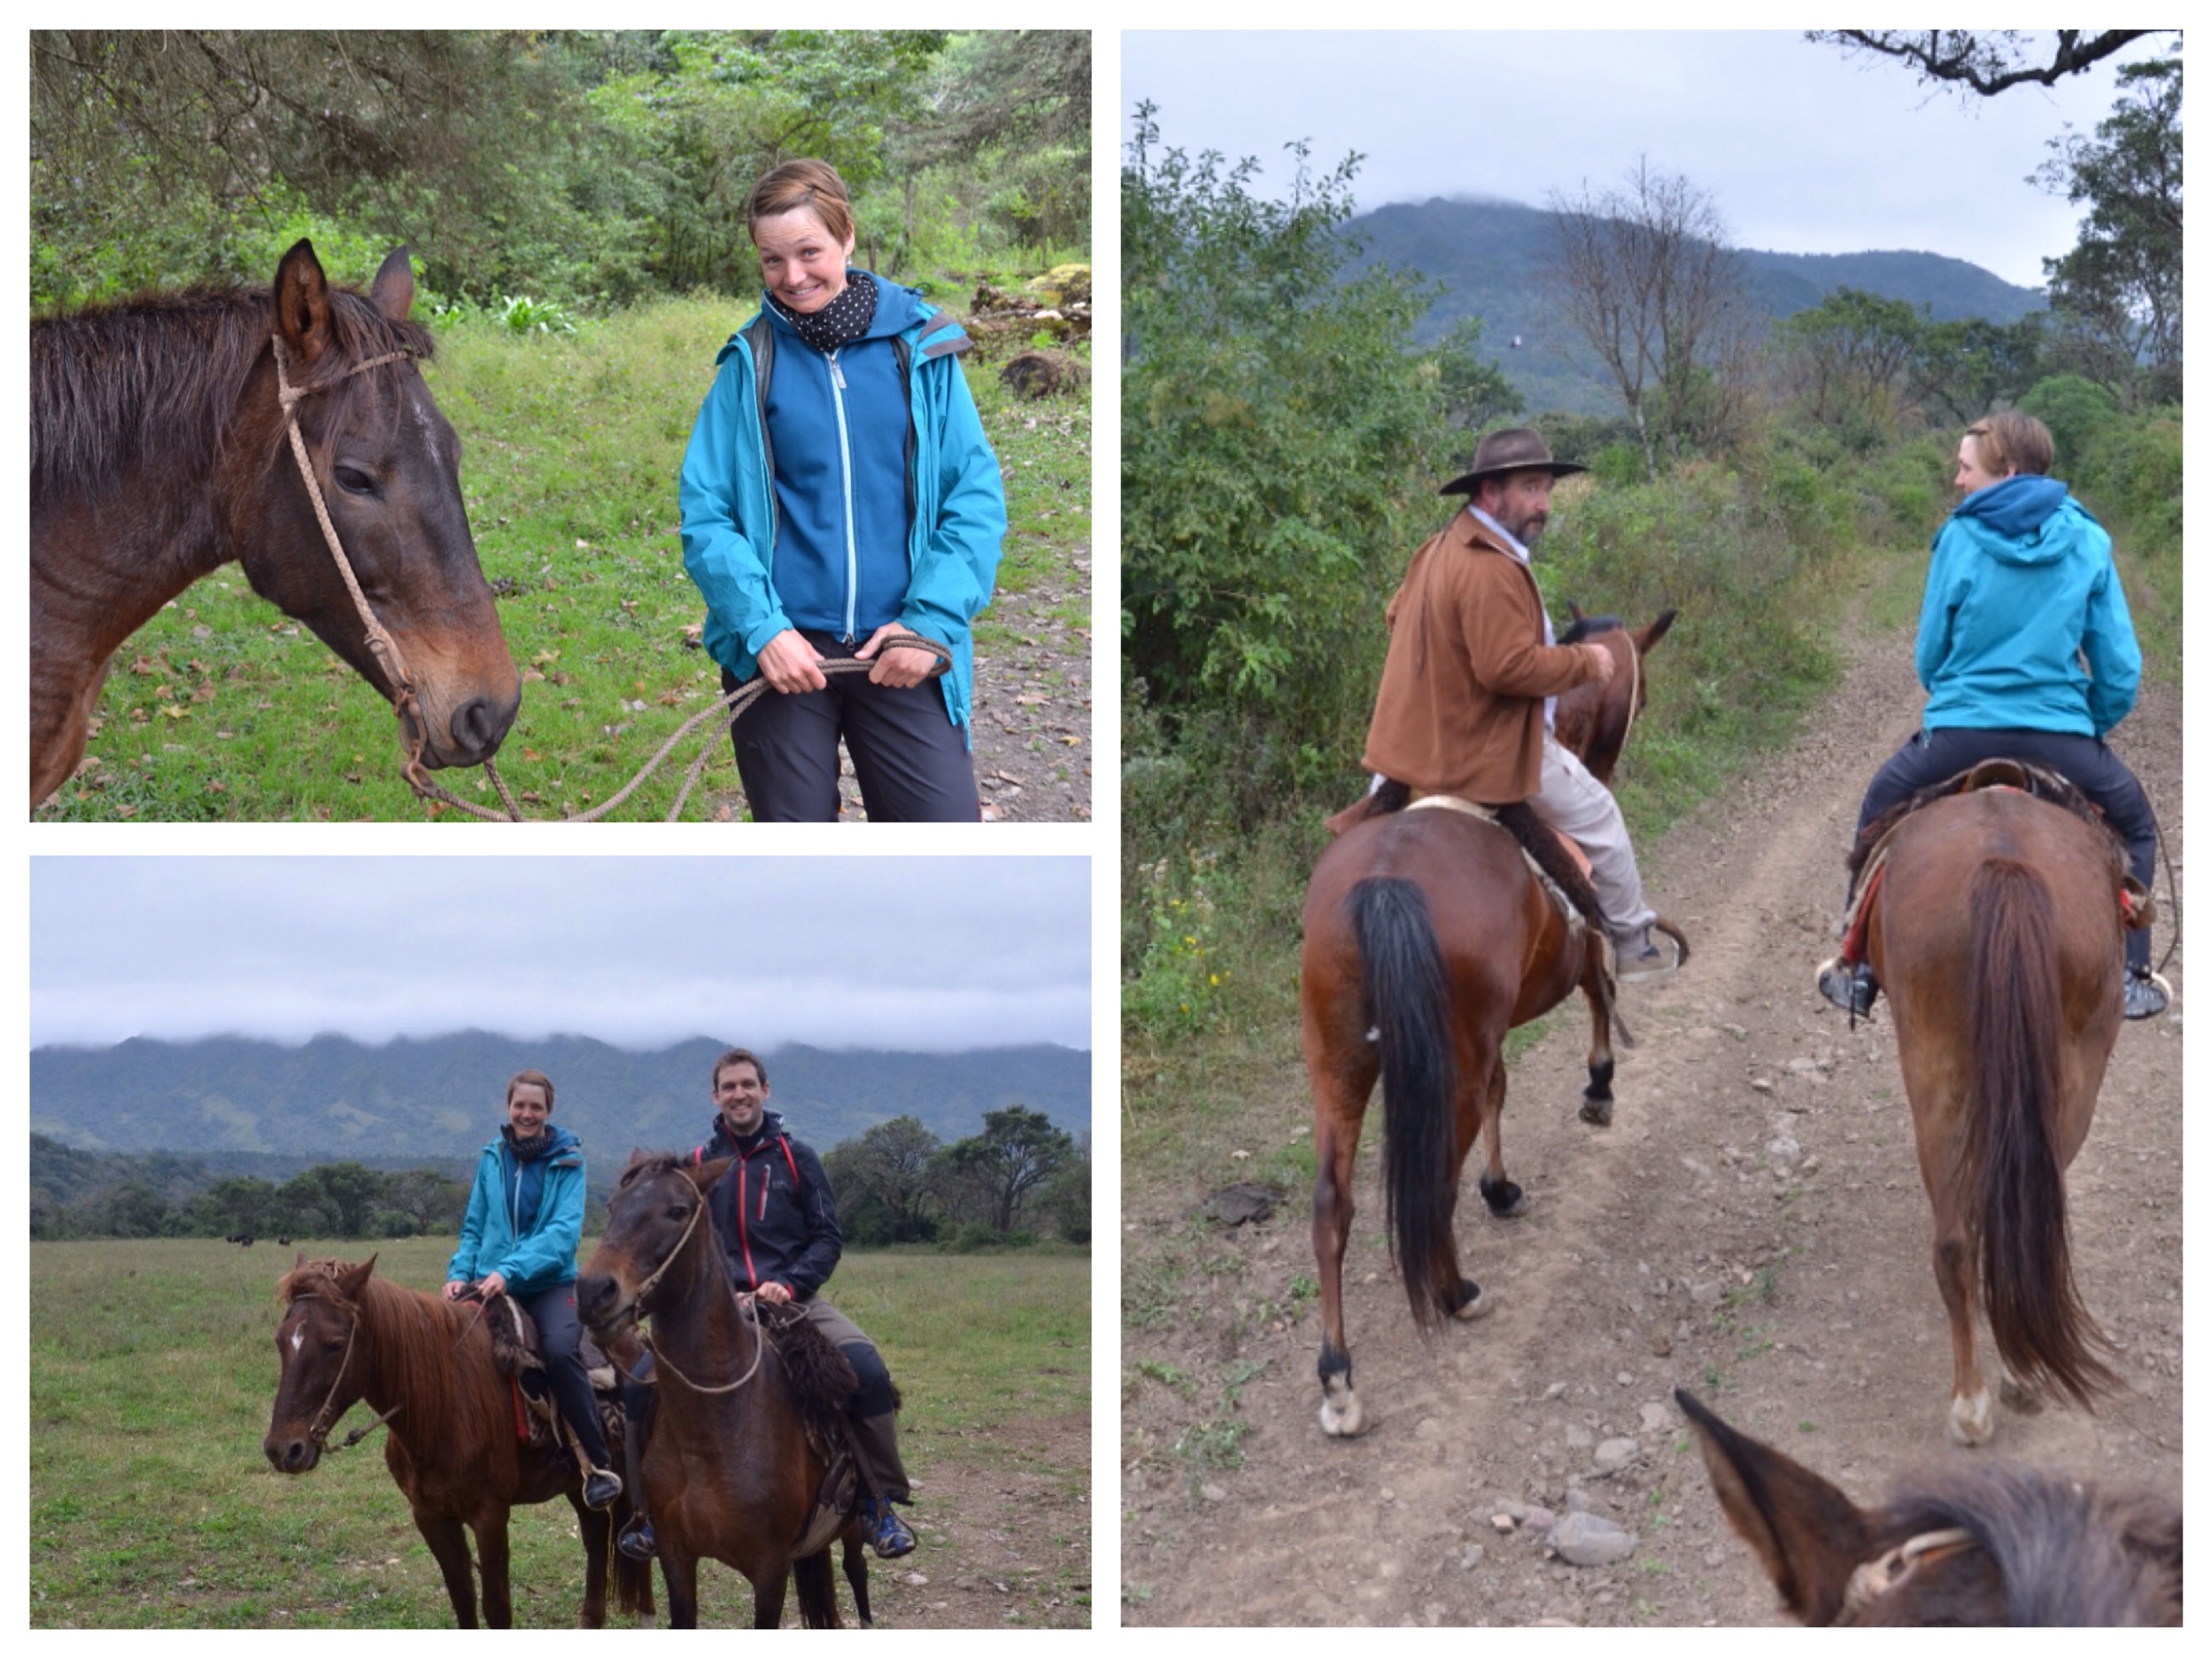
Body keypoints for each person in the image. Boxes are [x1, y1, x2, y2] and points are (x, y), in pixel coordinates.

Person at [678, 157, 1006, 822]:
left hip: (902, 646)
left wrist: (928, 623)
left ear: (847, 235)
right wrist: (764, 631)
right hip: (783, 656)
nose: (792, 276)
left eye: (809, 252)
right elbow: (707, 513)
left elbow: (972, 496)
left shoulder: (919, 347)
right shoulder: (749, 362)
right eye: (772, 260)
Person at [1818, 411, 2166, 1021]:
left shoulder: (1959, 536)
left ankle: (1859, 965)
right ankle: (2131, 973)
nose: (1957, 480)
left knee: (1880, 801)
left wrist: (1961, 698)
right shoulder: (2089, 539)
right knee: (2135, 825)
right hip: (2061, 738)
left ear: (2006, 472)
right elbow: (2118, 670)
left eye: (1965, 467)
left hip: (1962, 733)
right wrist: (2083, 722)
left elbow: (1931, 656)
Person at [1360, 425, 1680, 978]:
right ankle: (1632, 943)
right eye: (1531, 488)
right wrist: (1586, 663)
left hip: (1411, 747)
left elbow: (1395, 616)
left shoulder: (1435, 549)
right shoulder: (1492, 568)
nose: (1544, 504)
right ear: (1490, 492)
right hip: (1485, 750)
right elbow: (1504, 668)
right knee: (1602, 819)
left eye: (1547, 490)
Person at [618, 1048, 916, 1563]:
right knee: (637, 1388)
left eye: (747, 1085)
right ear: (715, 1096)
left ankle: (878, 1502)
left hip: (792, 1302)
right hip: (716, 1309)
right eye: (728, 1087)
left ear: (765, 1090)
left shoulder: (797, 1159)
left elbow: (827, 1238)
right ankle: (643, 1514)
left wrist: (790, 1285)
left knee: (864, 1368)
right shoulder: (696, 1168)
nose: (739, 1094)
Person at [446, 1069, 620, 1509]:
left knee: (560, 1352)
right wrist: (458, 1273)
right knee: (447, 1347)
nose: (527, 1114)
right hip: (487, 1281)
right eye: (519, 1105)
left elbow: (563, 1234)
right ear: (508, 1107)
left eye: (536, 1107)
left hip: (548, 1283)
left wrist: (510, 1270)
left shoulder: (569, 1160)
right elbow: (473, 1226)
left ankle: (597, 1464)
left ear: (548, 1111)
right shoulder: (492, 1157)